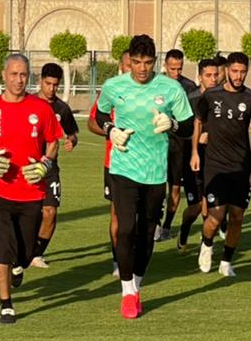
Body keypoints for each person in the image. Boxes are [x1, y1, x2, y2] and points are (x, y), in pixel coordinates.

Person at [93, 34, 195, 318]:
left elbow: (188, 125)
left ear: (155, 62)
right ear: (129, 61)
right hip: (123, 168)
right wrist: (111, 130)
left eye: (147, 62)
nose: (141, 68)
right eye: (136, 62)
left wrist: (172, 123)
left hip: (155, 172)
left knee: (147, 232)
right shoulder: (114, 86)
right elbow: (100, 115)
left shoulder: (170, 88)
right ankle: (127, 291)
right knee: (125, 228)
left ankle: (136, 284)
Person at [0, 54, 63, 323]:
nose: (19, 80)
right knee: (2, 248)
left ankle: (20, 264)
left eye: (23, 75)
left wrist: (45, 164)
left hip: (31, 190)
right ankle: (6, 304)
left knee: (27, 251)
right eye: (13, 74)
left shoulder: (41, 109)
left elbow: (53, 141)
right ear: (4, 76)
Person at [190, 52, 251, 276]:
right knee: (215, 217)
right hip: (215, 165)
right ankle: (206, 244)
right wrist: (194, 152)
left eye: (243, 72)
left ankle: (226, 262)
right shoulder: (211, 95)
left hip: (241, 167)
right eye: (234, 71)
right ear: (227, 71)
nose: (238, 76)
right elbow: (198, 121)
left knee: (237, 216)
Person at [29, 62, 79, 269]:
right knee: (28, 215)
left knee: (50, 212)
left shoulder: (61, 109)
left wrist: (71, 141)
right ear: (40, 81)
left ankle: (36, 255)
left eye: (55, 85)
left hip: (50, 168)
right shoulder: (27, 103)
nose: (51, 89)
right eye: (48, 84)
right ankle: (21, 250)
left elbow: (73, 133)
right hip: (27, 167)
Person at [87, 51, 131, 276]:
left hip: (145, 163)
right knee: (117, 214)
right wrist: (111, 132)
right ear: (121, 66)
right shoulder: (111, 91)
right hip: (115, 163)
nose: (133, 68)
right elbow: (92, 122)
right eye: (129, 64)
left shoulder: (151, 91)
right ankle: (118, 259)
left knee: (140, 216)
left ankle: (134, 256)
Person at [176, 58, 223, 249]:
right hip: (192, 159)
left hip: (216, 160)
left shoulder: (223, 99)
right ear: (199, 77)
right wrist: (196, 138)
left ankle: (206, 244)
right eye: (208, 75)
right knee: (195, 207)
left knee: (211, 205)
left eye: (216, 75)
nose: (213, 79)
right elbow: (181, 129)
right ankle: (185, 228)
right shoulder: (190, 100)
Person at [158, 48, 202, 241]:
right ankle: (154, 223)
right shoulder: (155, 84)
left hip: (180, 148)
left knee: (175, 188)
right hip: (157, 145)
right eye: (172, 68)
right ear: (165, 66)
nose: (176, 72)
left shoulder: (189, 87)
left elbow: (194, 120)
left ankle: (166, 226)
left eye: (179, 68)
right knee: (156, 187)